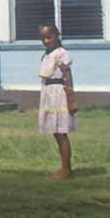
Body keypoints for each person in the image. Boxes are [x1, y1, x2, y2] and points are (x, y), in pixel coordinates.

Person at [38, 24, 77, 180]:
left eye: (49, 37)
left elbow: (68, 76)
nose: (46, 41)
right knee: (56, 132)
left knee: (61, 133)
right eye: (42, 38)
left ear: (56, 35)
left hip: (58, 94)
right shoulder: (47, 54)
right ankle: (64, 167)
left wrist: (71, 99)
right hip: (49, 93)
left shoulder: (62, 54)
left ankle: (66, 170)